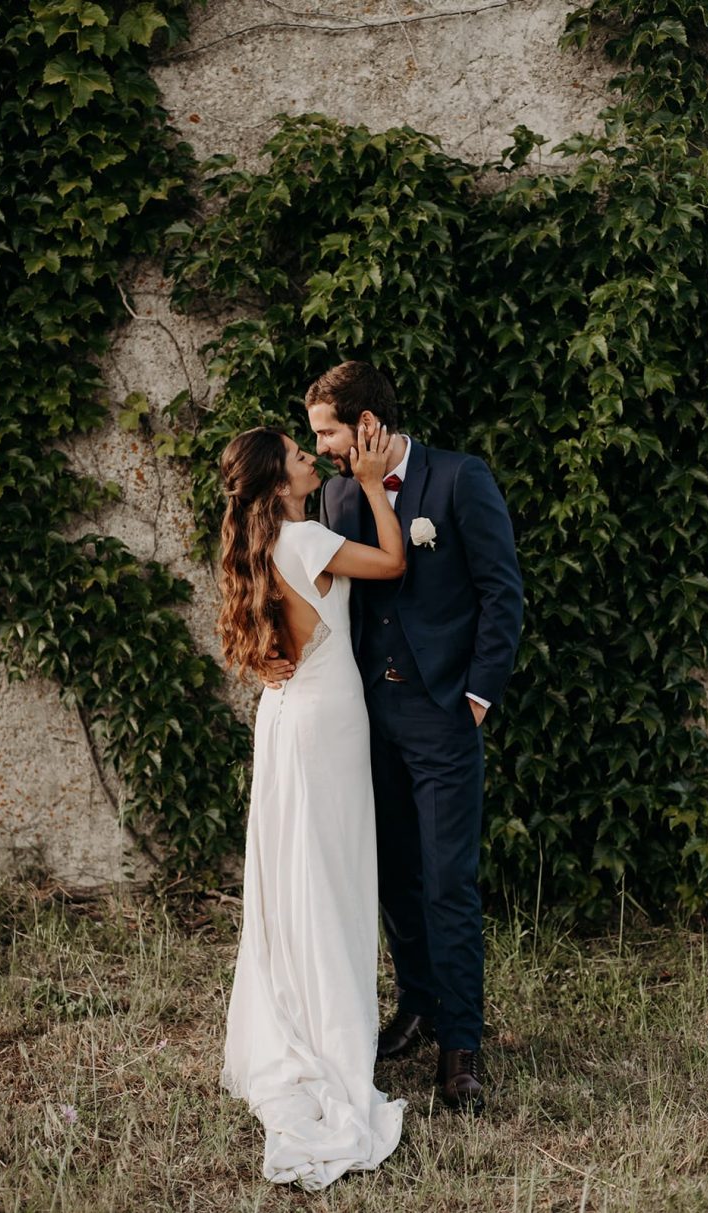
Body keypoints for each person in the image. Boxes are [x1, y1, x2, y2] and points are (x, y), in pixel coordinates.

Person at [272, 361, 523, 1113]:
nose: (319, 449)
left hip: (444, 716)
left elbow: (501, 591)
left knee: (449, 879)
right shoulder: (340, 494)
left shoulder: (457, 479)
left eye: (328, 431)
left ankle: (461, 1044)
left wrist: (476, 698)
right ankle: (415, 1003)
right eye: (311, 435)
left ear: (368, 423)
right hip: (362, 723)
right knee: (391, 875)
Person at [217, 422, 407, 1191]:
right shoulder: (308, 541)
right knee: (330, 874)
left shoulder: (258, 551)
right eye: (301, 458)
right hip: (327, 718)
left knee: (292, 874)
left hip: (284, 715)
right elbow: (393, 560)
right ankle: (334, 1036)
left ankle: (298, 1017)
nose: (312, 461)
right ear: (279, 483)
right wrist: (369, 484)